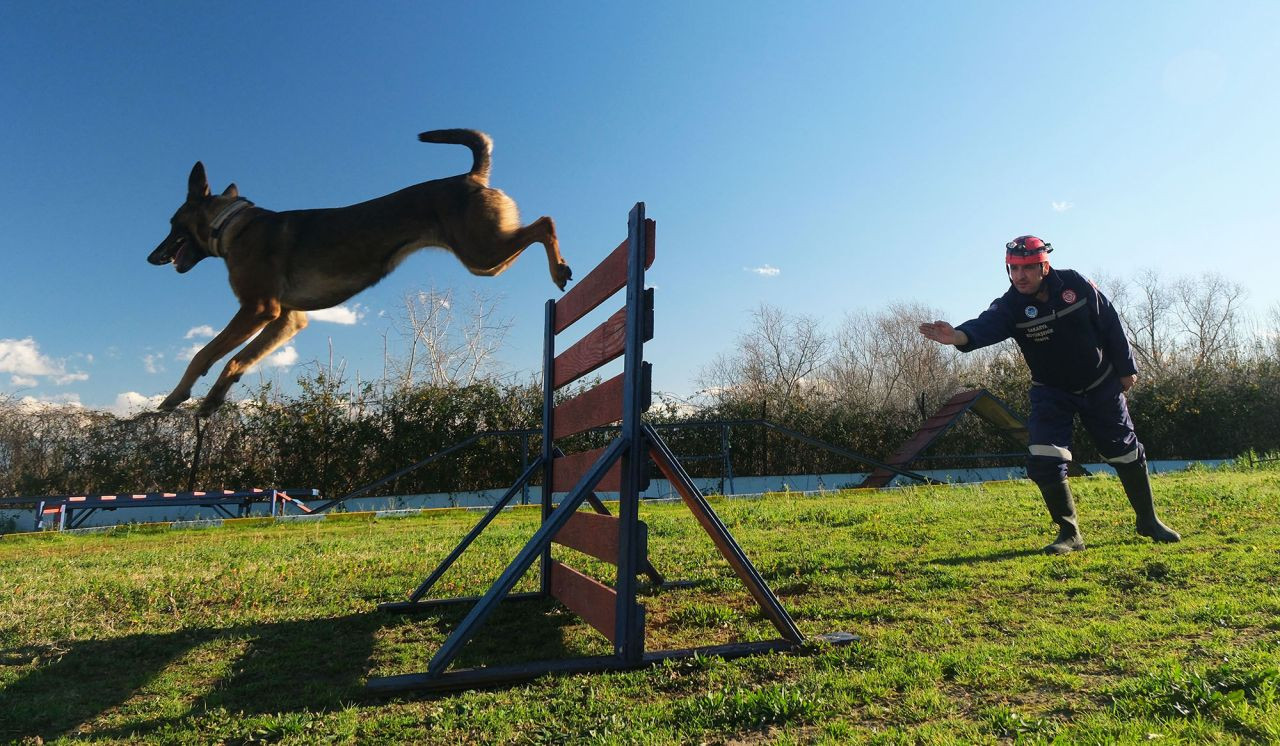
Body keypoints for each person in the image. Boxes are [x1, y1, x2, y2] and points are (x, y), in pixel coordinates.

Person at [918, 235, 1180, 554]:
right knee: (1044, 457)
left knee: (1125, 453)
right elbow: (985, 326)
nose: (1020, 276)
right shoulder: (1009, 306)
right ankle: (1069, 534)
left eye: (1027, 268)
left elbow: (1109, 321)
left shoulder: (1076, 285)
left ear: (1044, 266)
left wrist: (1126, 368)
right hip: (1052, 392)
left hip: (1100, 384)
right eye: (1013, 269)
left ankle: (1148, 521)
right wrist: (958, 336)